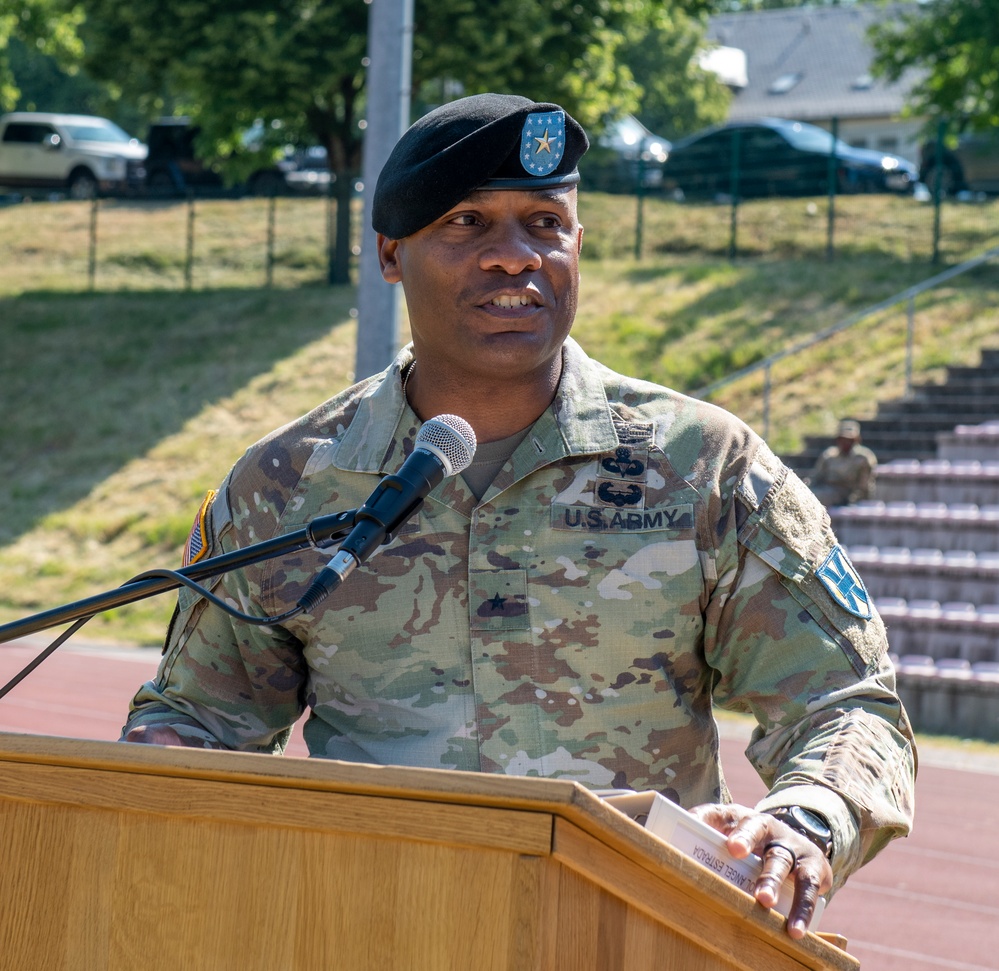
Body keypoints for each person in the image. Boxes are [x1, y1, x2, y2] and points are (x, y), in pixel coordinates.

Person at [121, 93, 915, 940]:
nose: (514, 257)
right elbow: (201, 716)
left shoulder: (700, 465)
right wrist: (168, 761)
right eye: (466, 223)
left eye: (544, 221)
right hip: (373, 934)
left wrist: (803, 821)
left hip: (632, 940)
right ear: (390, 253)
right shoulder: (290, 482)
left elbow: (847, 700)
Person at [807, 419, 878, 507]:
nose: (846, 443)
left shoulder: (863, 458)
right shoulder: (829, 455)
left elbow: (865, 487)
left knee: (820, 497)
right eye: (843, 439)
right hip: (826, 490)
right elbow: (817, 476)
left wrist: (855, 501)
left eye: (850, 440)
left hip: (847, 495)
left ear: (856, 440)